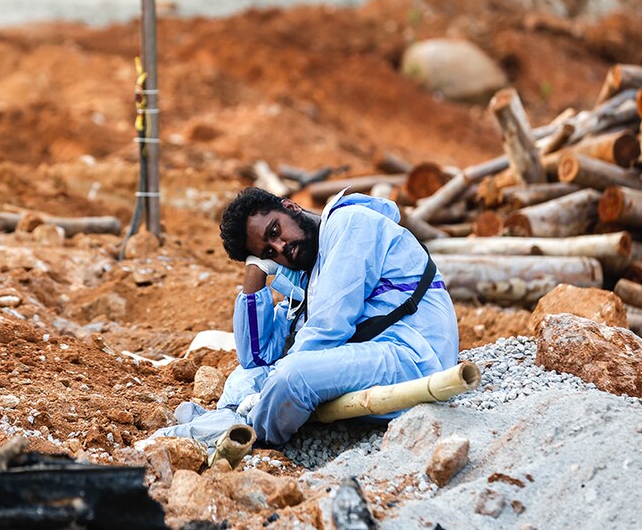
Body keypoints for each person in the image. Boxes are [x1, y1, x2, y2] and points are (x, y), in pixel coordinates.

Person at [146, 187, 458, 450]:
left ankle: (229, 435)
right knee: (245, 377)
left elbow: (328, 328)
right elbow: (257, 356)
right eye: (269, 252)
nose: (282, 248)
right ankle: (223, 424)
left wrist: (270, 386)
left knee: (291, 376)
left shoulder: (350, 225)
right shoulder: (308, 271)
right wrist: (254, 273)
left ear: (291, 207)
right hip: (375, 356)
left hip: (412, 357)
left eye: (274, 231)